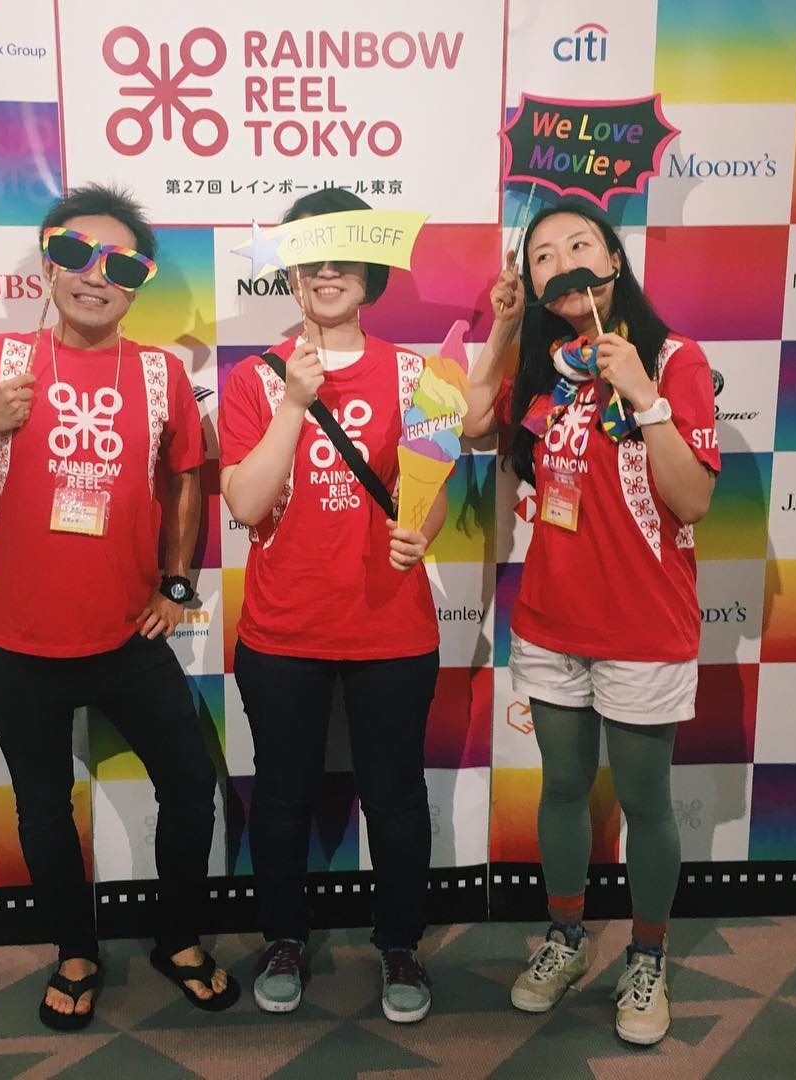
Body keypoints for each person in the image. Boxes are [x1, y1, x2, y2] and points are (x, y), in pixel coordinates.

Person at [0, 183, 239, 1028]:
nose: (96, 275)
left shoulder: (163, 373)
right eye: (74, 252)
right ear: (48, 263)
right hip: (19, 641)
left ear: (139, 284)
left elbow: (186, 476)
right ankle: (75, 950)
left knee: (189, 787)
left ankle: (178, 939)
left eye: (121, 265)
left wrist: (177, 583)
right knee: (41, 807)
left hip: (127, 637)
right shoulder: (2, 361)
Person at [464, 199, 720, 1046]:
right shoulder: (545, 369)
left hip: (643, 627)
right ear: (532, 282)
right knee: (564, 786)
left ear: (613, 258)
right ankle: (566, 937)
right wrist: (505, 330)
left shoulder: (675, 359)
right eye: (543, 255)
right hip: (550, 622)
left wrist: (643, 394)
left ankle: (648, 956)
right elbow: (469, 423)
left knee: (645, 800)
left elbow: (692, 499)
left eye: (581, 244)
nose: (564, 261)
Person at [218, 189, 445, 1023]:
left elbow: (432, 490)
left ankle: (400, 945)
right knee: (281, 797)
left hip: (394, 628)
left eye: (344, 257)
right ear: (290, 270)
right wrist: (292, 402)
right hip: (283, 631)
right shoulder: (254, 377)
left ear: (370, 272)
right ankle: (283, 937)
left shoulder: (419, 375)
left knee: (396, 798)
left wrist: (421, 531)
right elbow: (246, 503)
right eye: (311, 256)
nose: (327, 272)